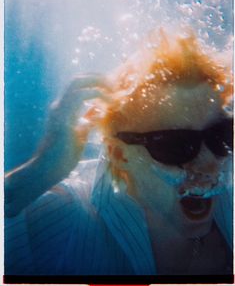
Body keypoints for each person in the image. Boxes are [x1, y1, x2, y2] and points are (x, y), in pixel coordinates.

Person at [4, 31, 233, 275]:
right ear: (119, 155)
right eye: (175, 146)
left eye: (220, 135)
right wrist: (41, 171)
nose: (210, 165)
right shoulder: (69, 218)